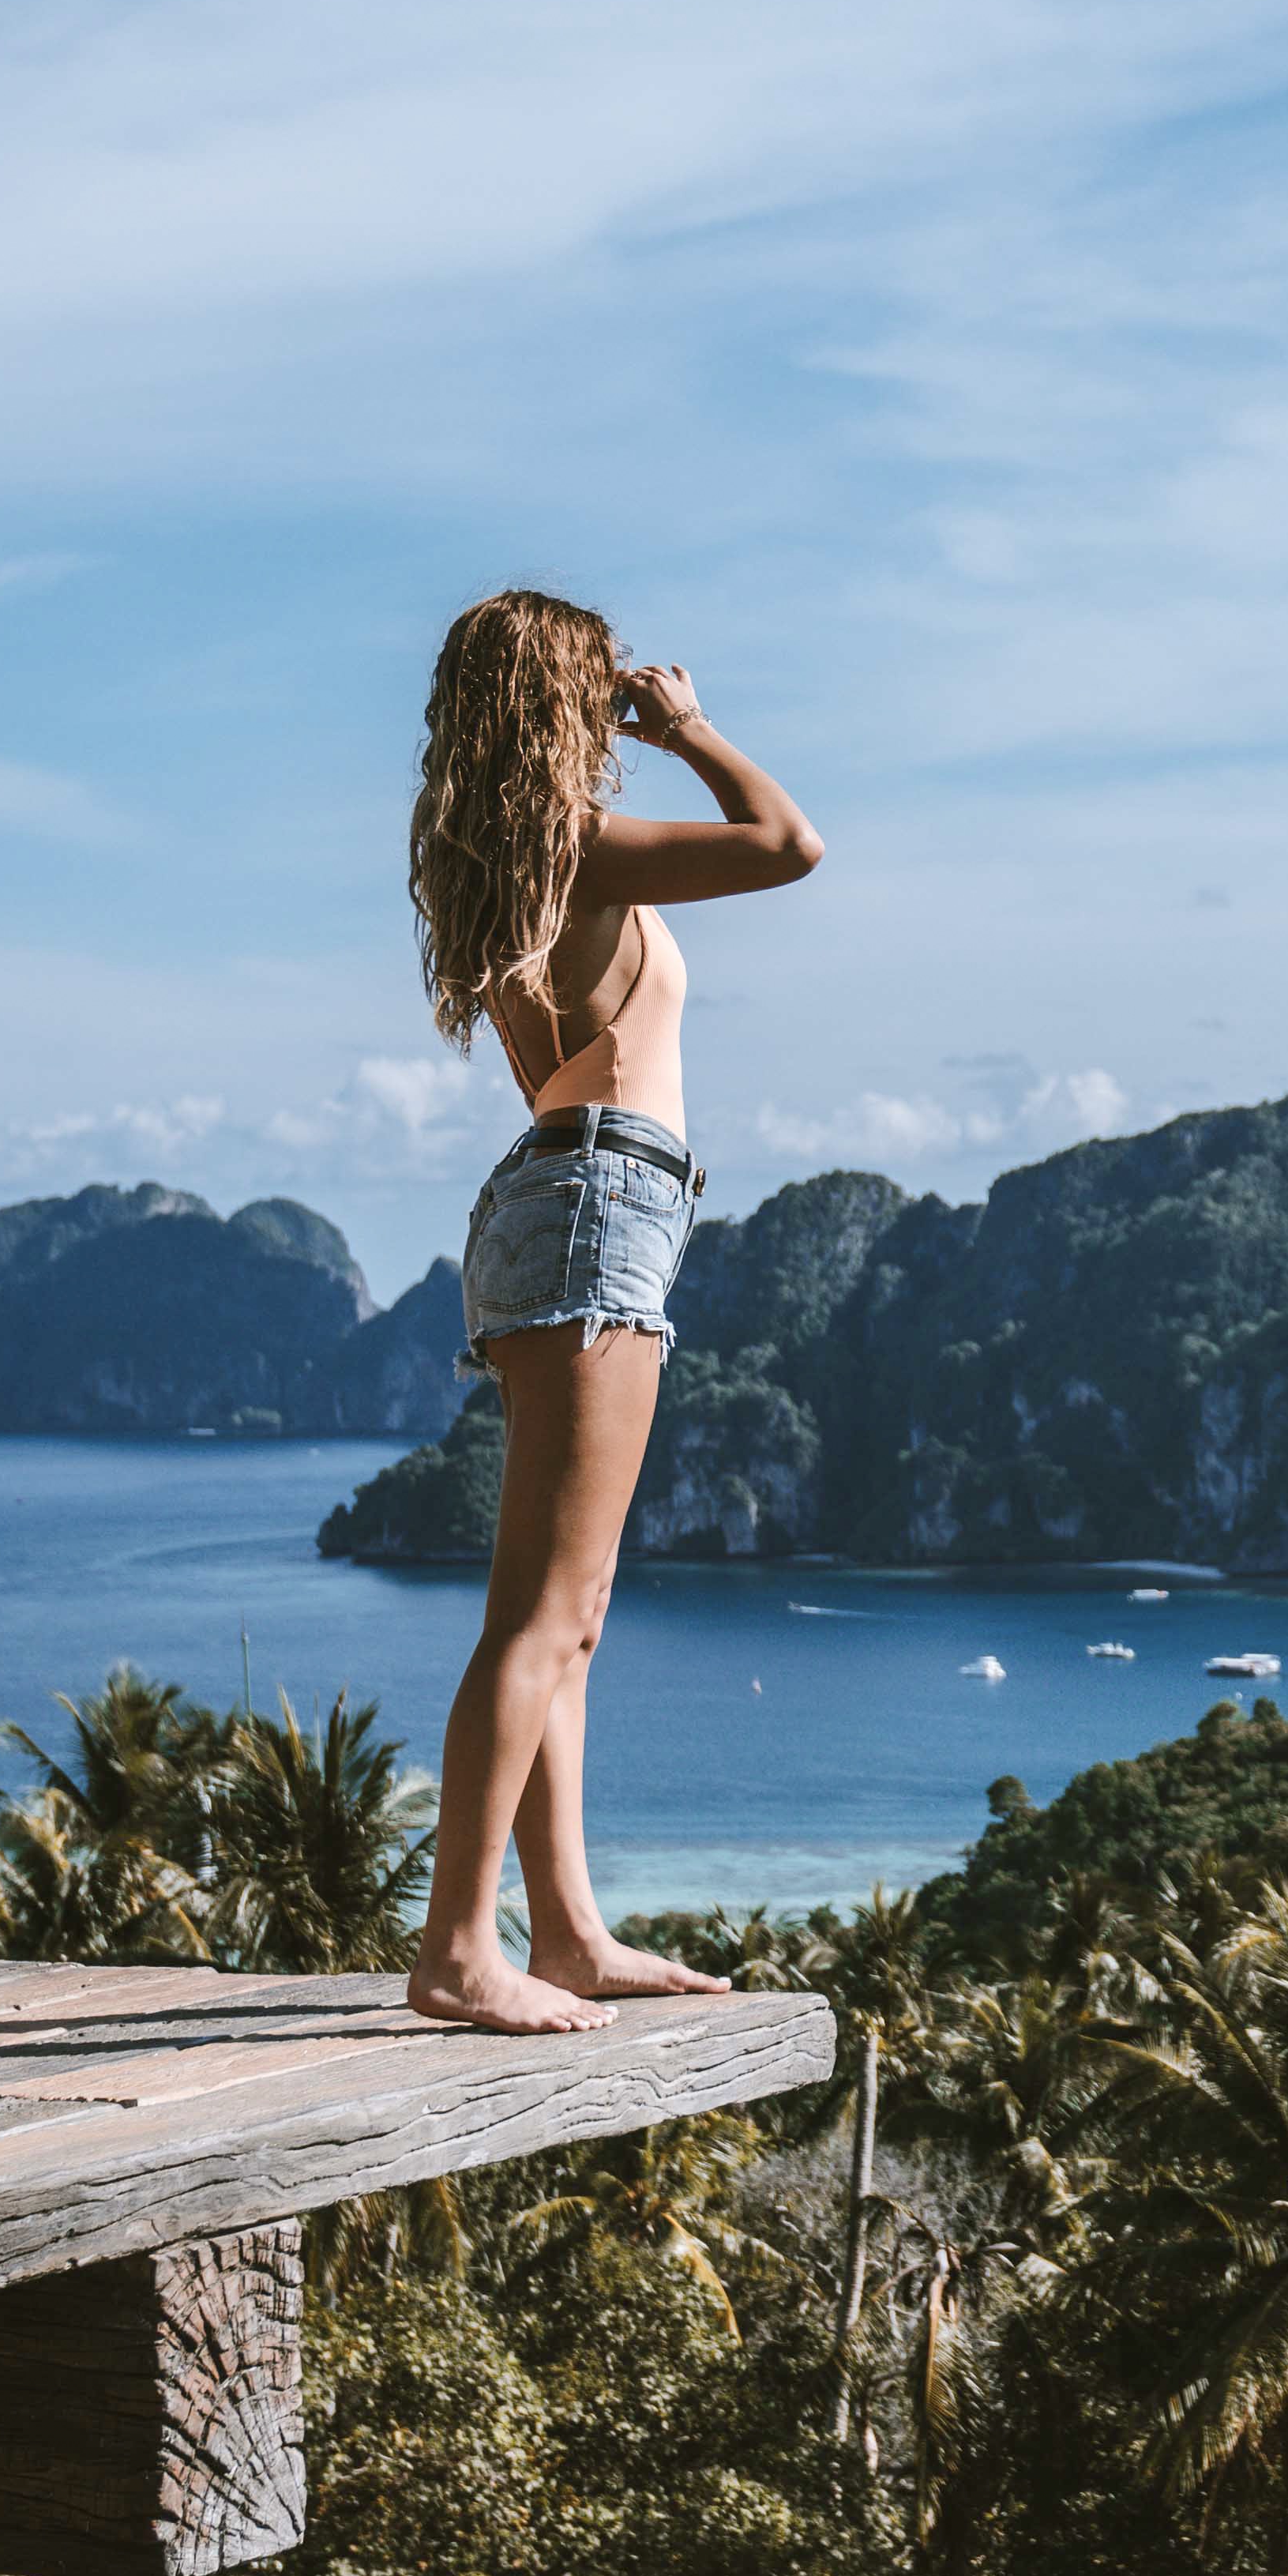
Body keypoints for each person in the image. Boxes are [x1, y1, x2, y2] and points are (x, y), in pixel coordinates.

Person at [402, 589, 824, 2033]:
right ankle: (462, 1946)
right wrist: (695, 729)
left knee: (564, 1622)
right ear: (561, 708)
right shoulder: (576, 850)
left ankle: (567, 1932)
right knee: (548, 1615)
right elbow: (788, 845)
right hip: (601, 1204)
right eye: (598, 696)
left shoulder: (491, 860)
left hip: (552, 1205)